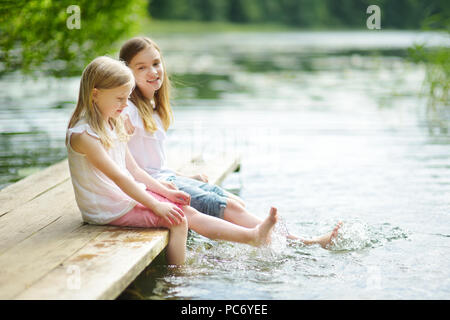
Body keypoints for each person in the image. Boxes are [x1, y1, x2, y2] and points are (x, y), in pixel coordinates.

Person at [119, 37, 342, 249]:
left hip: (164, 178)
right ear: (126, 73)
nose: (153, 71)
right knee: (231, 206)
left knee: (234, 201)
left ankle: (282, 238)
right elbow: (123, 151)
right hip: (151, 188)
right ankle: (301, 242)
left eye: (156, 63)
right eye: (141, 67)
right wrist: (118, 118)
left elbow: (150, 161)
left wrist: (184, 177)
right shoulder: (127, 109)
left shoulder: (153, 107)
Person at [66, 56, 280, 267]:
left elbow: (133, 170)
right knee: (179, 221)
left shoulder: (113, 121)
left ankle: (252, 236)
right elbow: (120, 177)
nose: (125, 105)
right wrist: (156, 204)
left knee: (185, 209)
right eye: (120, 99)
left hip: (121, 197)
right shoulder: (84, 136)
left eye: (127, 97)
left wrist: (165, 193)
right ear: (95, 94)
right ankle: (178, 278)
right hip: (106, 208)